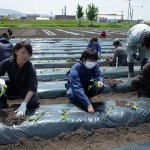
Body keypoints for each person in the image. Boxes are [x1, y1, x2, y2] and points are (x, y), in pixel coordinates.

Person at [0, 41, 39, 117]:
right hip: (12, 87)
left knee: (33, 102)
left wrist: (24, 104)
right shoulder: (7, 62)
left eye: (28, 53)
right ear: (16, 51)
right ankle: (3, 102)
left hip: (25, 89)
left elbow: (32, 87)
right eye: (23, 52)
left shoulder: (30, 67)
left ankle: (25, 101)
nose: (25, 56)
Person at [65, 48, 104, 113]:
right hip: (75, 86)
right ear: (83, 59)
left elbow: (99, 75)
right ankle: (84, 99)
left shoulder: (94, 66)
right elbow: (78, 87)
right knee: (73, 95)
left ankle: (84, 97)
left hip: (86, 84)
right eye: (90, 60)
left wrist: (100, 81)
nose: (92, 63)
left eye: (94, 61)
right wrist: (88, 105)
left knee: (100, 87)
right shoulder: (75, 69)